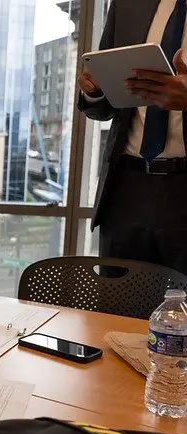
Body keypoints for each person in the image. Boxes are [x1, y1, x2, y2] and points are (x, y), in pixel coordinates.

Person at [78, 0, 187, 273]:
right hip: (125, 191)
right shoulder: (128, 5)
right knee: (116, 309)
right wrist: (94, 91)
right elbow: (105, 104)